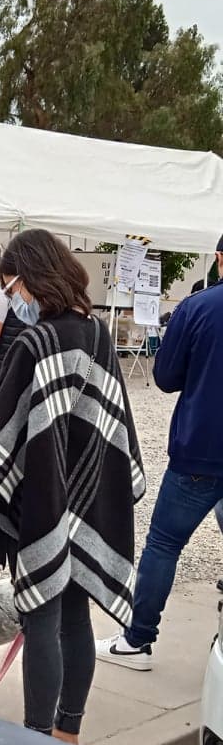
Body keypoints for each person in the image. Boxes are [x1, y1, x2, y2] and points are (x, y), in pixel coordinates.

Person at [0, 229, 145, 743]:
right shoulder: (98, 334)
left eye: (14, 288)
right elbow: (115, 427)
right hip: (89, 499)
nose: (15, 298)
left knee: (41, 616)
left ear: (31, 278)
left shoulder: (36, 342)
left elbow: (0, 436)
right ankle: (69, 732)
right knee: (75, 616)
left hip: (40, 500)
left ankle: (37, 738)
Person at [97, 232, 223, 670]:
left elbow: (166, 377)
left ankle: (137, 639)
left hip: (200, 446)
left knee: (165, 543)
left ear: (219, 259)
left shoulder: (199, 306)